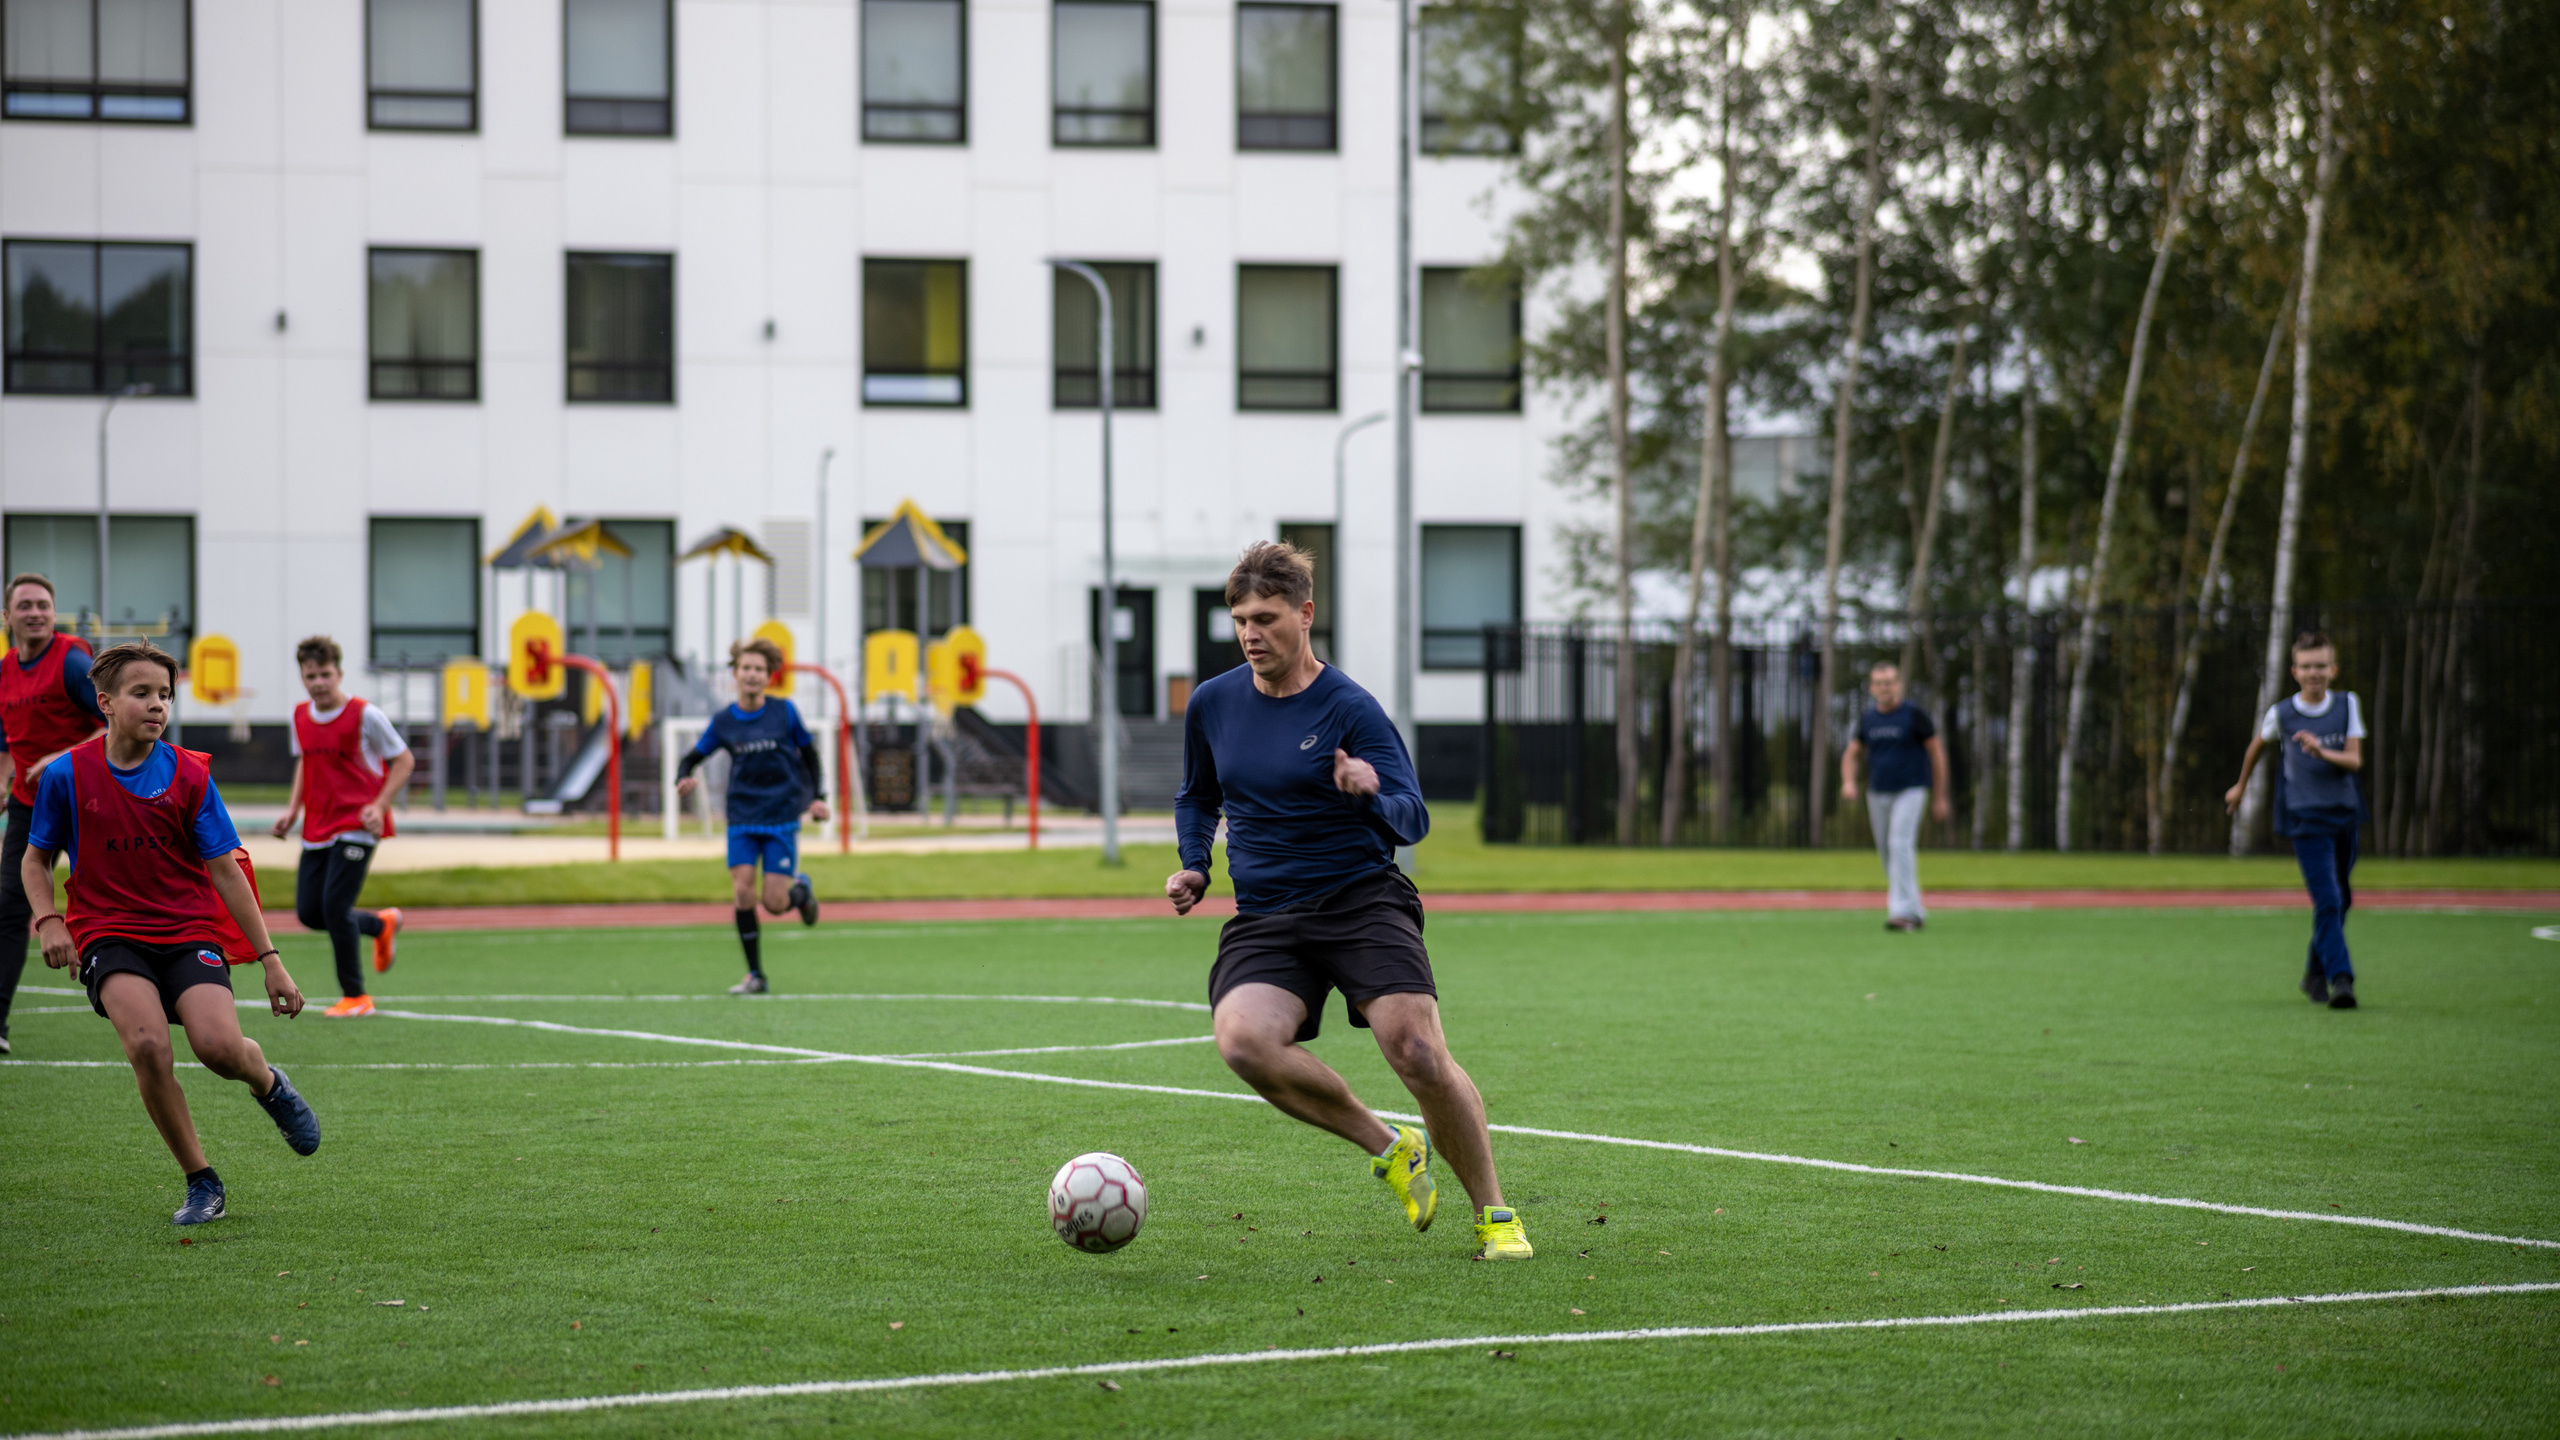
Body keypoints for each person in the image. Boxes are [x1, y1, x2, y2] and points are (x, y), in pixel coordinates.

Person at [1167, 541, 1532, 1261]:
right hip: (1268, 915)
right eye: (1240, 619)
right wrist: (1195, 866)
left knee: (1418, 1050)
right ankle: (1391, 1149)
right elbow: (1198, 795)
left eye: (1266, 617)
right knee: (1242, 1041)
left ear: (1305, 615)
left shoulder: (1350, 709)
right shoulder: (1212, 703)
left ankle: (1496, 1216)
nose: (1250, 634)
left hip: (1361, 901)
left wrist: (1368, 794)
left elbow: (1413, 818)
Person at [27, 642, 319, 1225]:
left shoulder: (190, 774)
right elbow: (36, 861)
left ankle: (266, 1080)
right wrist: (49, 919)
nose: (157, 705)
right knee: (148, 1047)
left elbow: (225, 869)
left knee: (217, 1049)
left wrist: (271, 959)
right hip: (109, 933)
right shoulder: (66, 775)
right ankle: (201, 1181)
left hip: (187, 929)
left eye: (164, 694)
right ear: (105, 703)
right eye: (142, 693)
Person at [674, 638, 827, 995]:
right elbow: (691, 758)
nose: (752, 674)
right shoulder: (724, 721)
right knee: (743, 891)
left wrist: (817, 798)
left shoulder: (785, 712)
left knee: (774, 904)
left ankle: (801, 893)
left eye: (759, 669)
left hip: (780, 816)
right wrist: (682, 778)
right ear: (735, 674)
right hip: (742, 816)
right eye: (746, 668)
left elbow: (810, 756)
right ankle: (756, 976)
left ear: (769, 676)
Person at [271, 637, 413, 1018]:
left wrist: (379, 806)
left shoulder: (365, 715)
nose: (318, 682)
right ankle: (379, 925)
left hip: (357, 823)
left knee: (335, 907)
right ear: (302, 676)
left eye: (325, 674)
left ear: (340, 673)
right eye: (310, 675)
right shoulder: (300, 715)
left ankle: (356, 996)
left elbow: (404, 760)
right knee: (310, 913)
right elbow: (305, 762)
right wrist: (292, 811)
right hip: (317, 824)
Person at [2225, 631, 2365, 1009]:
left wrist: (2322, 752)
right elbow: (2257, 746)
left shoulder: (2348, 705)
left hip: (2344, 814)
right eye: (2306, 666)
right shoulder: (2281, 713)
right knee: (2328, 899)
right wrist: (2240, 786)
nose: (2313, 672)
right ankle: (2341, 979)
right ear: (2294, 670)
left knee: (2341, 900)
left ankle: (2312, 973)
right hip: (2305, 819)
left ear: (2333, 669)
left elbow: (2354, 760)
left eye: (2320, 665)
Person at [0, 573, 105, 1056]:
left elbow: (117, 722)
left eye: (44, 604)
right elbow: (7, 739)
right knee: (8, 909)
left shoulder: (73, 661)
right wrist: (4, 780)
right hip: (28, 804)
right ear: (8, 617)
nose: (36, 612)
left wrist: (62, 759)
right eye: (25, 605)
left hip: (87, 799)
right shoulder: (4, 671)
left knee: (109, 899)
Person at [1839, 661, 1951, 932]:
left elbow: (1936, 753)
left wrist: (1940, 796)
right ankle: (1913, 910)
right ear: (1872, 687)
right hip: (1878, 792)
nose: (1883, 688)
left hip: (1911, 789)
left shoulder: (1914, 715)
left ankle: (1901, 911)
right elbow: (1852, 752)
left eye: (1888, 682)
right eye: (1878, 683)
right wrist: (1848, 782)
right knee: (1887, 851)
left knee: (1900, 842)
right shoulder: (1868, 718)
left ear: (1898, 685)